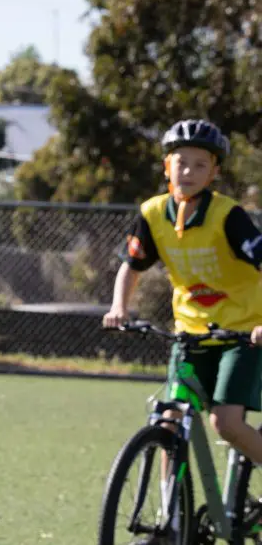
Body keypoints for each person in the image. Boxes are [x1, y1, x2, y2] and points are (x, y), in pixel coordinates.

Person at [103, 119, 262, 462]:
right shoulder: (153, 213)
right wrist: (119, 307)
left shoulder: (228, 215)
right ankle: (170, 514)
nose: (188, 171)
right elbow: (131, 266)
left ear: (213, 173)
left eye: (200, 164)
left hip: (242, 334)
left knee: (227, 424)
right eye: (181, 162)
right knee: (168, 421)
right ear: (166, 167)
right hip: (188, 333)